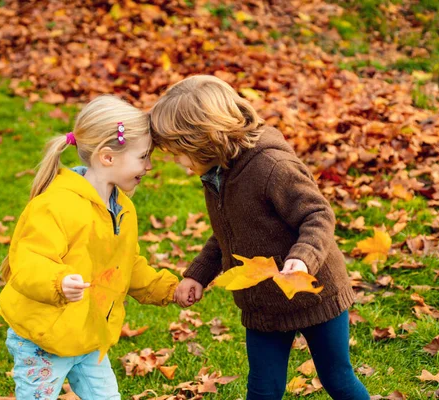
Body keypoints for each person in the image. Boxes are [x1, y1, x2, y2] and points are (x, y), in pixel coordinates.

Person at [149, 75, 370, 399]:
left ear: (205, 139)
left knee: (337, 378)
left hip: (316, 293)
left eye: (179, 153)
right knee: (263, 389)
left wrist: (302, 257)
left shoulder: (271, 166)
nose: (179, 163)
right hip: (264, 303)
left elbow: (318, 215)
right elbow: (228, 233)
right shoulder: (218, 172)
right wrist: (198, 275)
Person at [0, 95, 179, 400]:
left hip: (89, 334)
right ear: (107, 157)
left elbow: (126, 264)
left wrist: (168, 289)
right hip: (45, 339)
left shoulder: (122, 207)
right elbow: (29, 262)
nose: (149, 166)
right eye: (143, 157)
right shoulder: (55, 205)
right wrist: (57, 281)